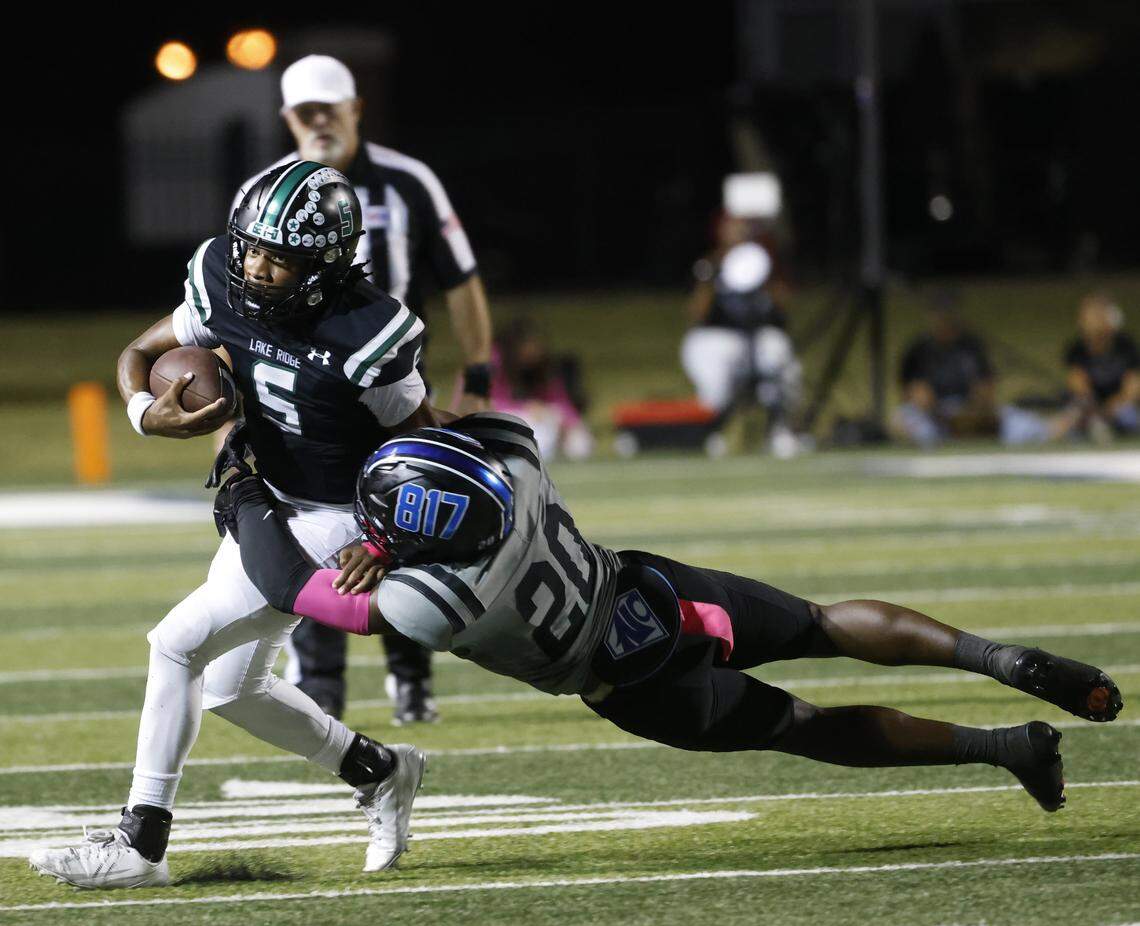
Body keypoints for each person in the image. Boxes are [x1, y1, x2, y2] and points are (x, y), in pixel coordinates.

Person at [216, 416, 1123, 842]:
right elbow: (454, 426)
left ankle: (1003, 748)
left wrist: (241, 482)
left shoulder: (428, 602)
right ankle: (995, 656)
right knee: (821, 621)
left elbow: (288, 582)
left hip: (636, 683)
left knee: (805, 727)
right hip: (652, 588)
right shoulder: (518, 462)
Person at [28, 161, 431, 890]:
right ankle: (381, 771)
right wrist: (144, 413)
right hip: (262, 499)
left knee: (175, 645)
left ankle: (140, 841)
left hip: (334, 518)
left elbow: (424, 451)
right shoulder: (221, 275)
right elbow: (140, 353)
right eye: (250, 247)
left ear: (324, 265)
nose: (253, 266)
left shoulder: (365, 331)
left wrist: (382, 539)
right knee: (229, 688)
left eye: (277, 257)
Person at [234, 54, 495, 723]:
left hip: (390, 382)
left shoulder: (408, 181)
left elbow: (459, 279)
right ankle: (320, 682)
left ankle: (411, 674)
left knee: (403, 521)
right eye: (305, 111)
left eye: (330, 107)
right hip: (301, 391)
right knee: (311, 526)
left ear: (356, 107)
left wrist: (479, 373)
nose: (319, 120)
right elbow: (237, 298)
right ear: (288, 117)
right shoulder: (263, 189)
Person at [681, 213, 802, 457]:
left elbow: (783, 306)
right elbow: (697, 312)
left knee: (778, 352)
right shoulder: (711, 265)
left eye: (742, 228)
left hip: (756, 334)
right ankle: (712, 432)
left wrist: (765, 273)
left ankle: (779, 429)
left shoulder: (761, 261)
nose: (736, 232)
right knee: (716, 387)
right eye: (731, 227)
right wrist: (716, 275)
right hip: (715, 336)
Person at [892, 292, 998, 447]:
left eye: (949, 312)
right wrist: (932, 410)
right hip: (930, 415)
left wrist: (975, 410)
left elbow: (986, 386)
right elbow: (911, 393)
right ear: (931, 316)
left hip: (966, 412)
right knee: (906, 423)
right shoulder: (919, 348)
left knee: (1018, 423)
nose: (945, 318)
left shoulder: (971, 345)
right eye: (939, 313)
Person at [490, 317, 593, 460]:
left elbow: (560, 400)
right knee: (538, 436)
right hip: (499, 420)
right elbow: (486, 403)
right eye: (530, 344)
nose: (535, 350)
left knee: (580, 443)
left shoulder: (541, 366)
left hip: (540, 418)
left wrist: (569, 423)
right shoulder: (493, 361)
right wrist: (525, 407)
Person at [1063, 293, 1140, 441]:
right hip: (1091, 407)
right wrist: (1094, 411)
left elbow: (1133, 387)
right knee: (1072, 421)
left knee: (1128, 417)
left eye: (1097, 315)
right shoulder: (1077, 349)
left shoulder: (1125, 345)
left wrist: (1113, 407)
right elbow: (1078, 386)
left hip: (1119, 404)